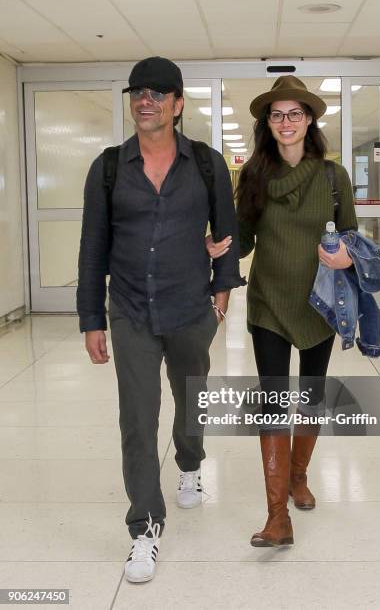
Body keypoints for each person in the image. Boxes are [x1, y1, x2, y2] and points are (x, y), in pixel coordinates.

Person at [77, 56, 244, 583]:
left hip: (191, 306)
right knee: (137, 416)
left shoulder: (207, 163)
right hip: (130, 309)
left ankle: (191, 464)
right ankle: (144, 527)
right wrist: (90, 318)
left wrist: (221, 292)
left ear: (176, 105)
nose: (144, 100)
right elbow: (92, 248)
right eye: (136, 92)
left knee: (192, 396)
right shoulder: (108, 167)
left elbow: (228, 232)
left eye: (156, 92)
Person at [207, 76, 358, 547]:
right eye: (277, 115)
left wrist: (346, 256)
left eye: (295, 113)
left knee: (311, 394)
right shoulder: (254, 174)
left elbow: (352, 236)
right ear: (266, 123)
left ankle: (298, 476)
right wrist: (218, 250)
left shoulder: (333, 177)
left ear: (309, 119)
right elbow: (245, 239)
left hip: (320, 302)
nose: (286, 122)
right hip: (269, 301)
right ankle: (277, 517)